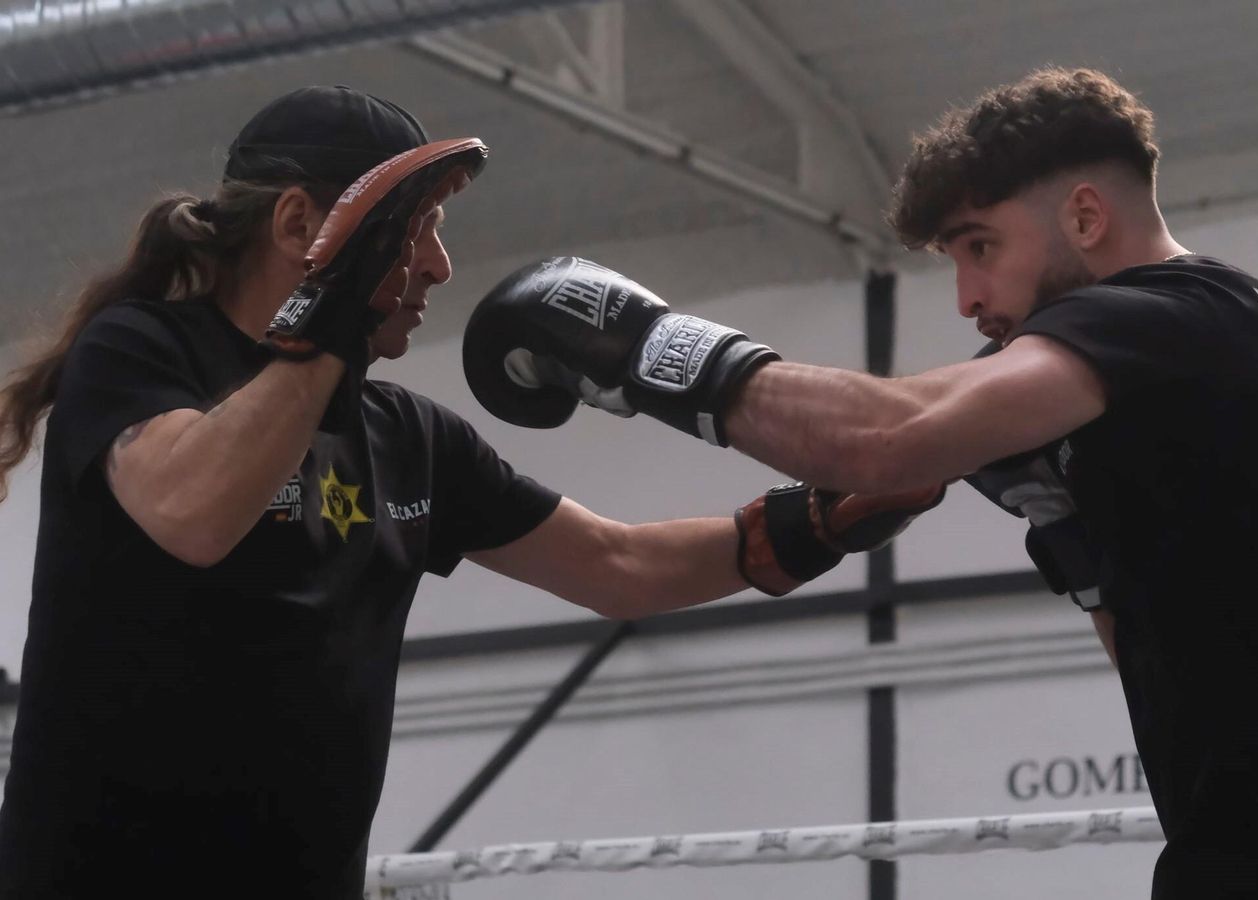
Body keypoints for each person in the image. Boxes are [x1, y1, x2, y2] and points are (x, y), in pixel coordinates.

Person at [470, 68, 1258, 898]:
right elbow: (1194, 640)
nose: (967, 297)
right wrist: (1081, 531)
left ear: (1085, 215)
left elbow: (893, 437)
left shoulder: (1163, 318)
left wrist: (645, 344)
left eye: (980, 248)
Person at [0, 86, 939, 899]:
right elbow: (193, 514)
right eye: (414, 235)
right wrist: (330, 321)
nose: (440, 269)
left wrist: (810, 523)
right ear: (299, 227)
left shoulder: (407, 437)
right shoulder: (142, 353)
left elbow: (619, 566)